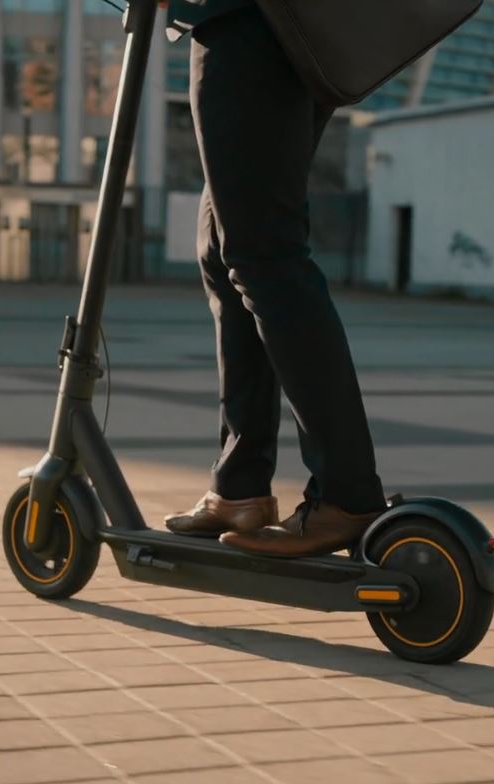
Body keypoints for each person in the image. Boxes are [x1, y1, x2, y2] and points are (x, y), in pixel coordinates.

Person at [160, 0, 386, 558]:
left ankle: (347, 494)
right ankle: (240, 488)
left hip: (248, 21)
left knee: (265, 257)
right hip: (283, 25)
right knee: (226, 250)